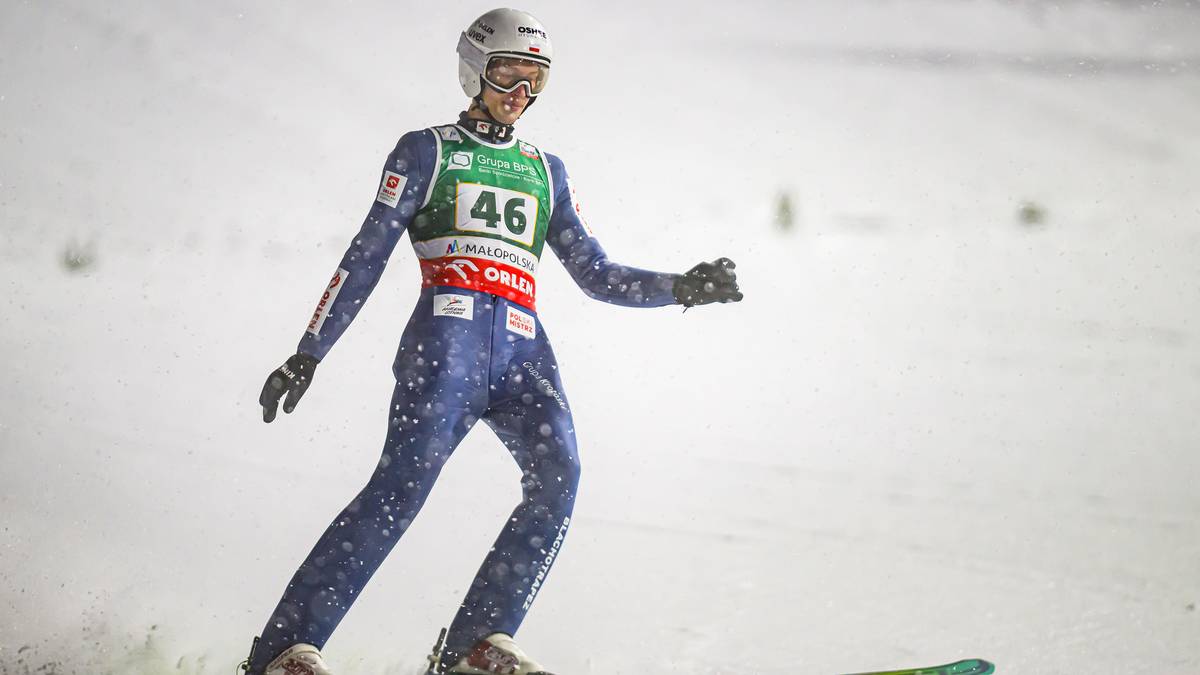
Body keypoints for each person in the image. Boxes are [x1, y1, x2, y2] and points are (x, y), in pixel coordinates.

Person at [241, 8, 742, 675]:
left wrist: (683, 286)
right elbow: (365, 255)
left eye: (536, 79)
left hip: (524, 354)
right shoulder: (428, 150)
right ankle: (285, 651)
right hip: (444, 347)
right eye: (508, 72)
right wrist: (310, 349)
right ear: (474, 68)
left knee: (560, 479)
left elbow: (596, 273)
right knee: (398, 491)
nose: (519, 92)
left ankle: (478, 646)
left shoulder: (546, 169)